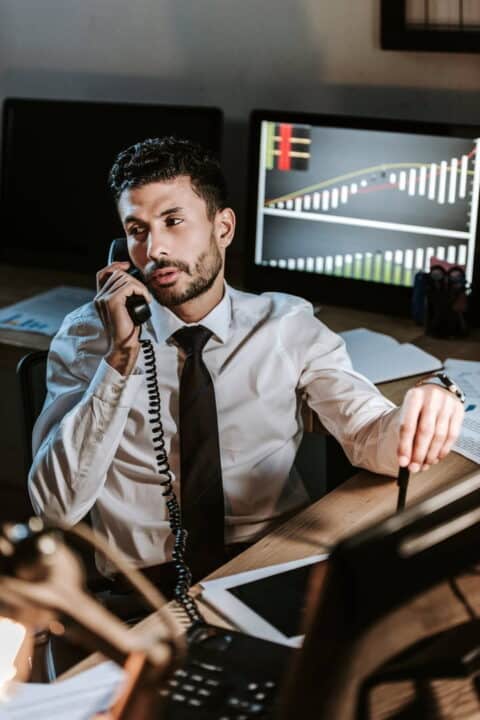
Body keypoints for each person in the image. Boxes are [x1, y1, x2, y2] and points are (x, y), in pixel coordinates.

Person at [28, 137, 465, 594]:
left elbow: (370, 437)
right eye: (137, 230)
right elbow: (56, 508)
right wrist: (120, 358)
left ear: (223, 228)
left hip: (270, 569)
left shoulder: (286, 325)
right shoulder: (88, 337)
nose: (153, 248)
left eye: (173, 221)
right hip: (144, 591)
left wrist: (432, 401)